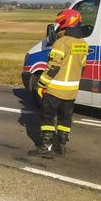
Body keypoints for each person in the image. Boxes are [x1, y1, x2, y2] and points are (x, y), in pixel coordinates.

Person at [28, 9, 88, 157]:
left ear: (65, 23)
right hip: (71, 91)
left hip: (55, 90)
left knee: (47, 117)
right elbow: (83, 68)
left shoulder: (61, 43)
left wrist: (41, 84)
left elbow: (53, 66)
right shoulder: (83, 44)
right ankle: (61, 146)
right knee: (65, 119)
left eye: (60, 24)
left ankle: (46, 146)